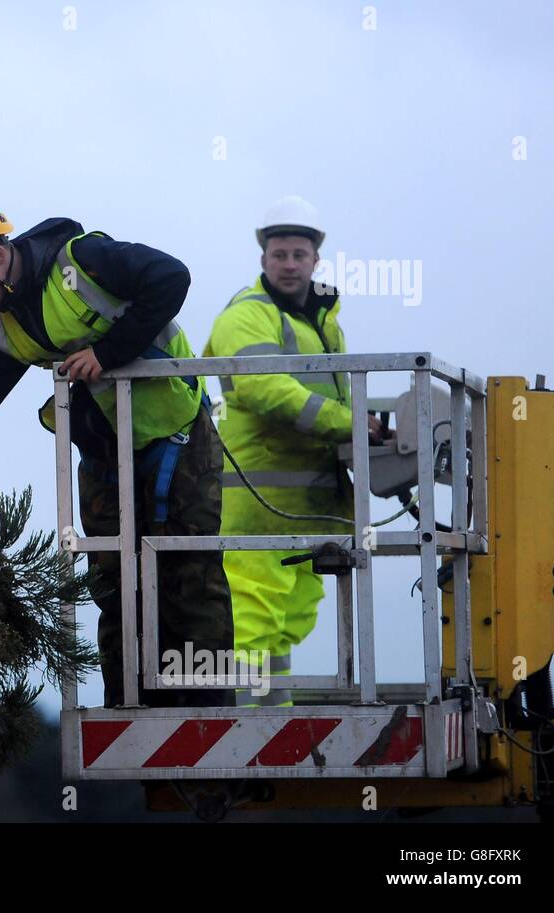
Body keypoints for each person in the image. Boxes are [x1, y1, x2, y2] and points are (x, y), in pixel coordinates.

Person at [0, 195, 232, 708]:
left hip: (177, 435)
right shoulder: (1, 326)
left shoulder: (84, 262)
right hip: (106, 453)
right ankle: (130, 715)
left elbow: (172, 277)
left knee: (188, 577)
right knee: (112, 583)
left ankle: (210, 719)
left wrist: (107, 353)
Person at [203, 195, 387, 707]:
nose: (288, 264)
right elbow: (265, 390)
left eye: (298, 255)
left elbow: (331, 396)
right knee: (253, 620)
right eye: (279, 254)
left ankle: (270, 717)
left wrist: (358, 431)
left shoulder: (322, 321)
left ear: (315, 260)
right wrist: (350, 426)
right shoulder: (247, 316)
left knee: (286, 620)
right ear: (263, 259)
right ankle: (241, 731)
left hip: (303, 507)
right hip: (256, 504)